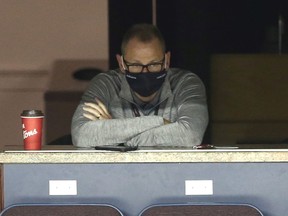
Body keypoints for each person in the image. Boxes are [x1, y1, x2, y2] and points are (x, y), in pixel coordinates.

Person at [71, 23, 208, 148]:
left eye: (154, 64)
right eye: (136, 65)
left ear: (167, 60)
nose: (145, 72)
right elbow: (81, 136)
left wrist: (118, 138)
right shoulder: (105, 84)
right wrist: (160, 122)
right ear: (121, 63)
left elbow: (190, 136)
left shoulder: (186, 83)